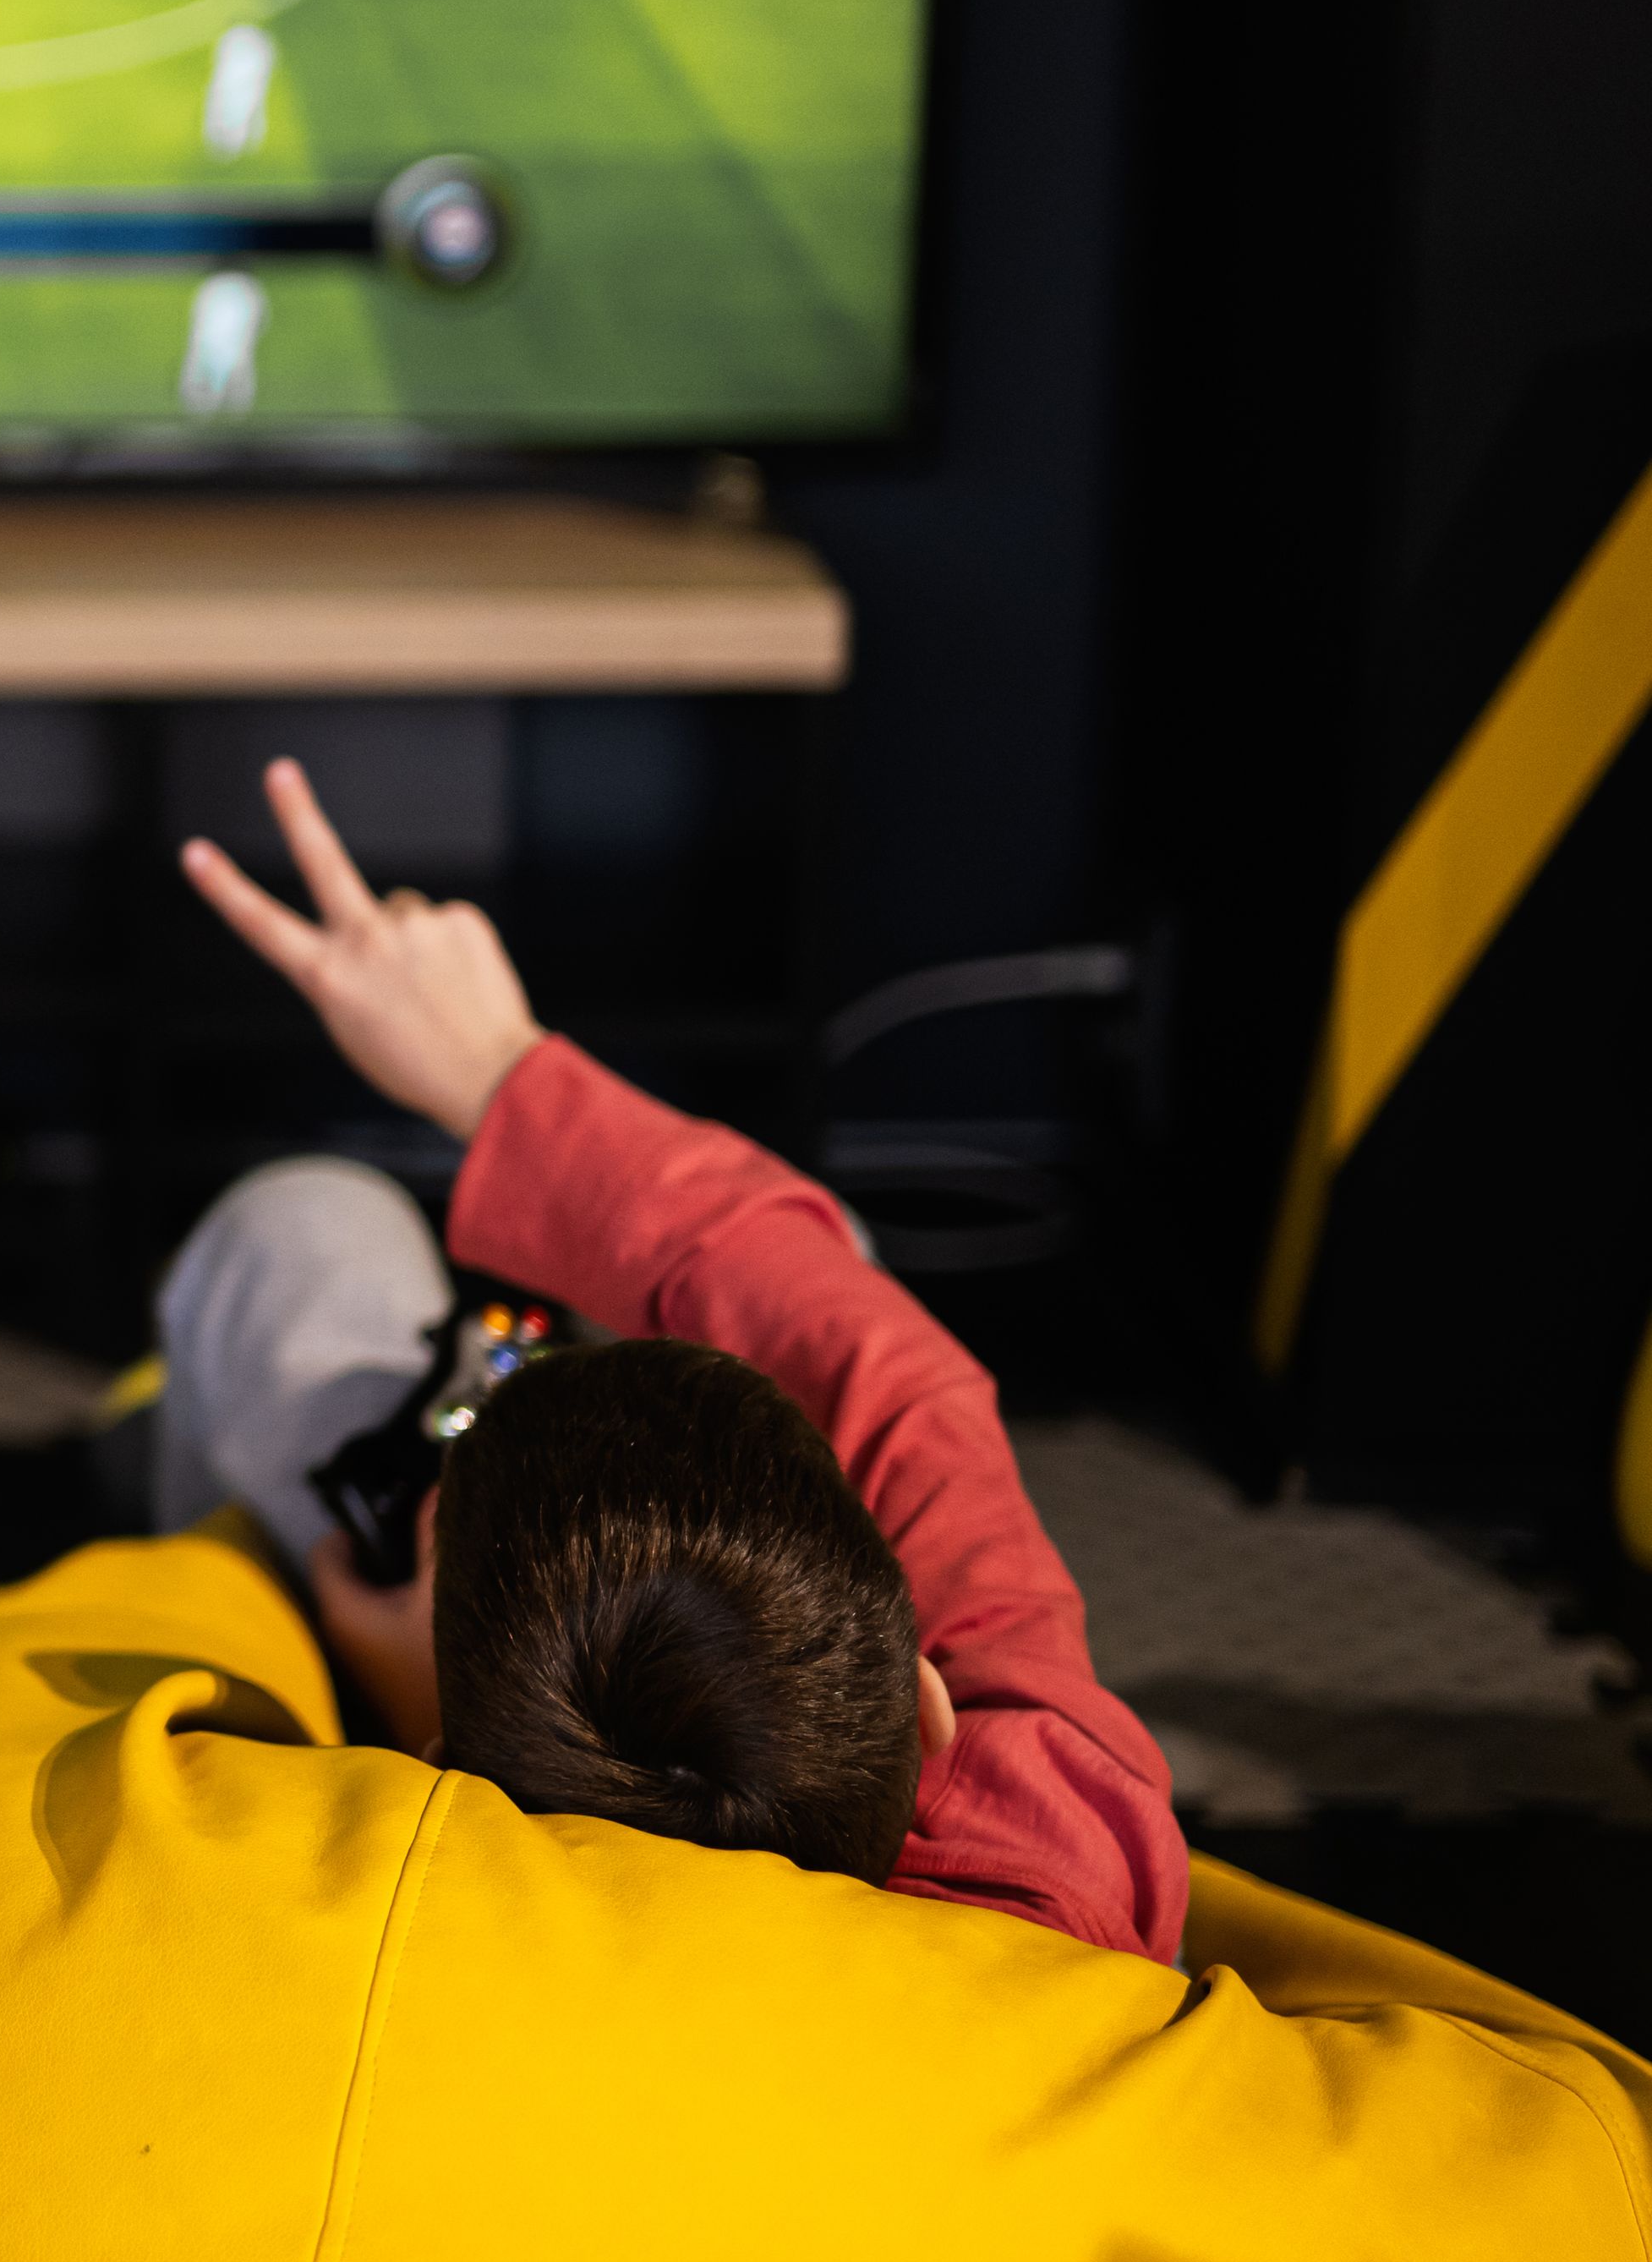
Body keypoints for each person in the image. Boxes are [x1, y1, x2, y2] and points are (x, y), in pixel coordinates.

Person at [160, 759, 1183, 1962]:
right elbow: (887, 1371)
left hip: (388, 1682)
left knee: (298, 1234)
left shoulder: (407, 1951)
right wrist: (503, 1075)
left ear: (438, 1779)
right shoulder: (1053, 1850)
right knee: (826, 1258)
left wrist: (403, 1694)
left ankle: (186, 1544)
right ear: (925, 1705)